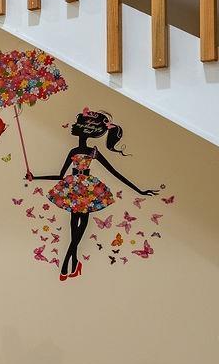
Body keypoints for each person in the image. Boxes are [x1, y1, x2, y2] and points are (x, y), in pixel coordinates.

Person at [27, 109, 159, 281]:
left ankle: (67, 264)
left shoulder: (92, 152)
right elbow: (60, 175)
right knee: (74, 230)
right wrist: (35, 177)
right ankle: (74, 265)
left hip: (88, 192)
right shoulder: (73, 151)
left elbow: (115, 172)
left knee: (78, 231)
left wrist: (139, 190)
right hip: (73, 190)